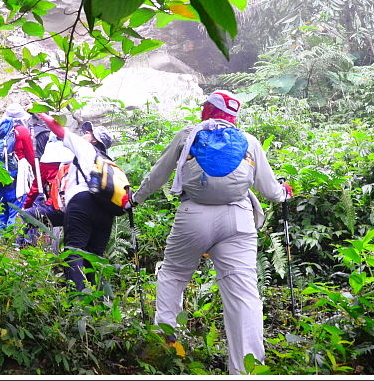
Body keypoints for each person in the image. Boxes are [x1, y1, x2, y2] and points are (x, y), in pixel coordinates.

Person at [130, 89, 292, 375]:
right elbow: (270, 190)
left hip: (194, 215)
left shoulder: (188, 135)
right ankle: (247, 370)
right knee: (244, 295)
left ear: (206, 110)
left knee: (174, 275)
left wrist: (134, 199)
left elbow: (159, 174)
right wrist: (283, 193)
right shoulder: (250, 142)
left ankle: (168, 351)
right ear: (234, 116)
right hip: (239, 220)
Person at [35, 113, 119, 292]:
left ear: (94, 140)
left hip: (82, 202)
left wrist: (41, 113)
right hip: (106, 211)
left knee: (74, 251)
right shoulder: (110, 164)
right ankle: (93, 303)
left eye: (89, 132)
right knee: (93, 257)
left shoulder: (86, 148)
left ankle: (78, 303)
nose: (85, 133)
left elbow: (59, 130)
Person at [0, 103, 36, 243]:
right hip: (15, 175)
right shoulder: (22, 131)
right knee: (15, 206)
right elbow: (30, 155)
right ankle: (11, 243)